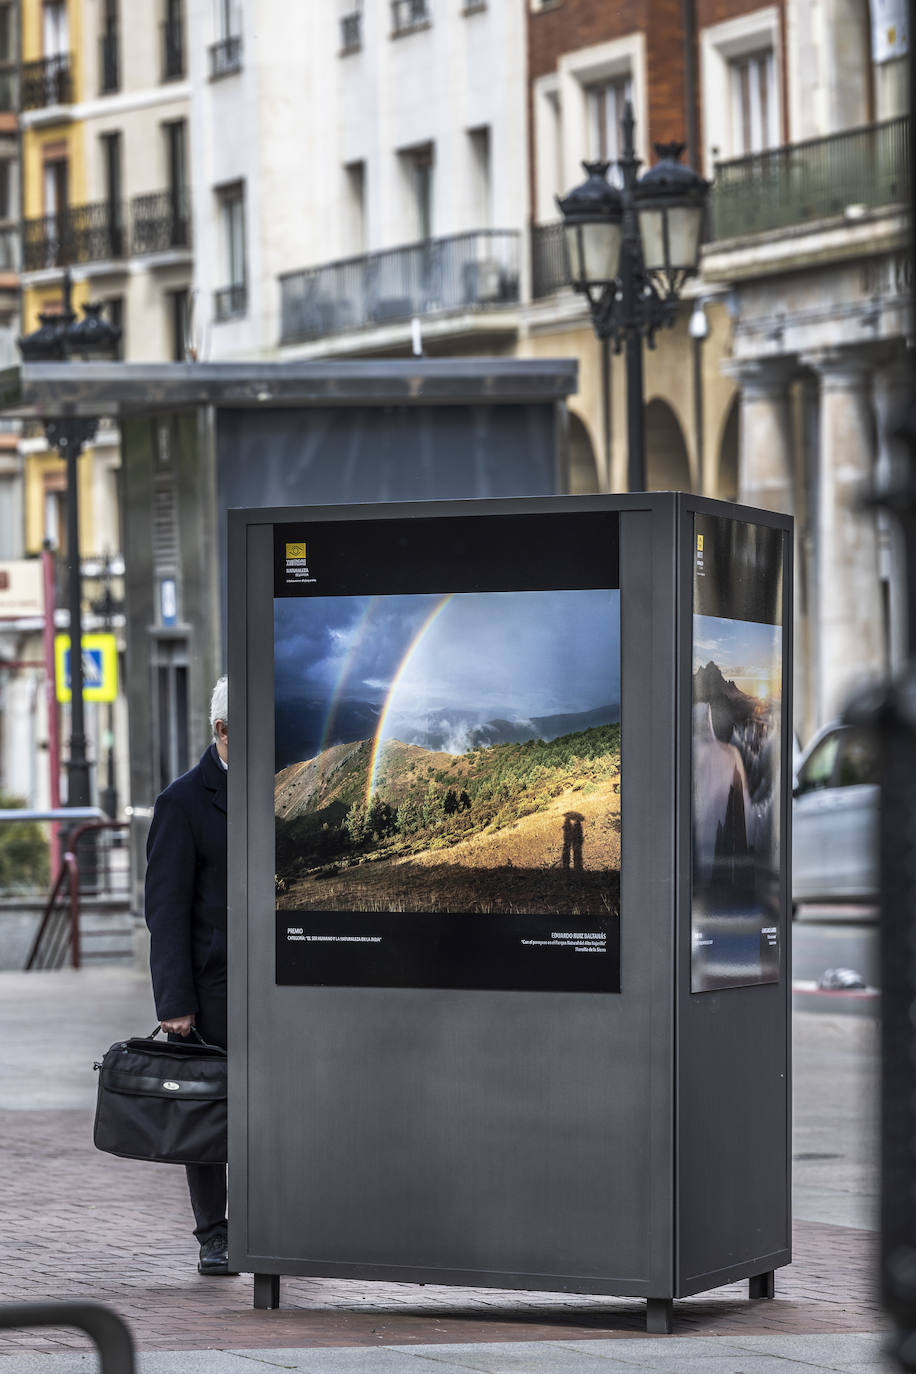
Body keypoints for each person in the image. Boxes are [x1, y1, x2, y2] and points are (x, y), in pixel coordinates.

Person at [144, 676, 234, 1277]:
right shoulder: (182, 801)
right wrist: (175, 1001)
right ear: (223, 731)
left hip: (273, 982)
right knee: (207, 1110)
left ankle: (271, 1220)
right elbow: (166, 909)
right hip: (212, 986)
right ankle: (213, 1234)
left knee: (271, 1103)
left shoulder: (277, 789)